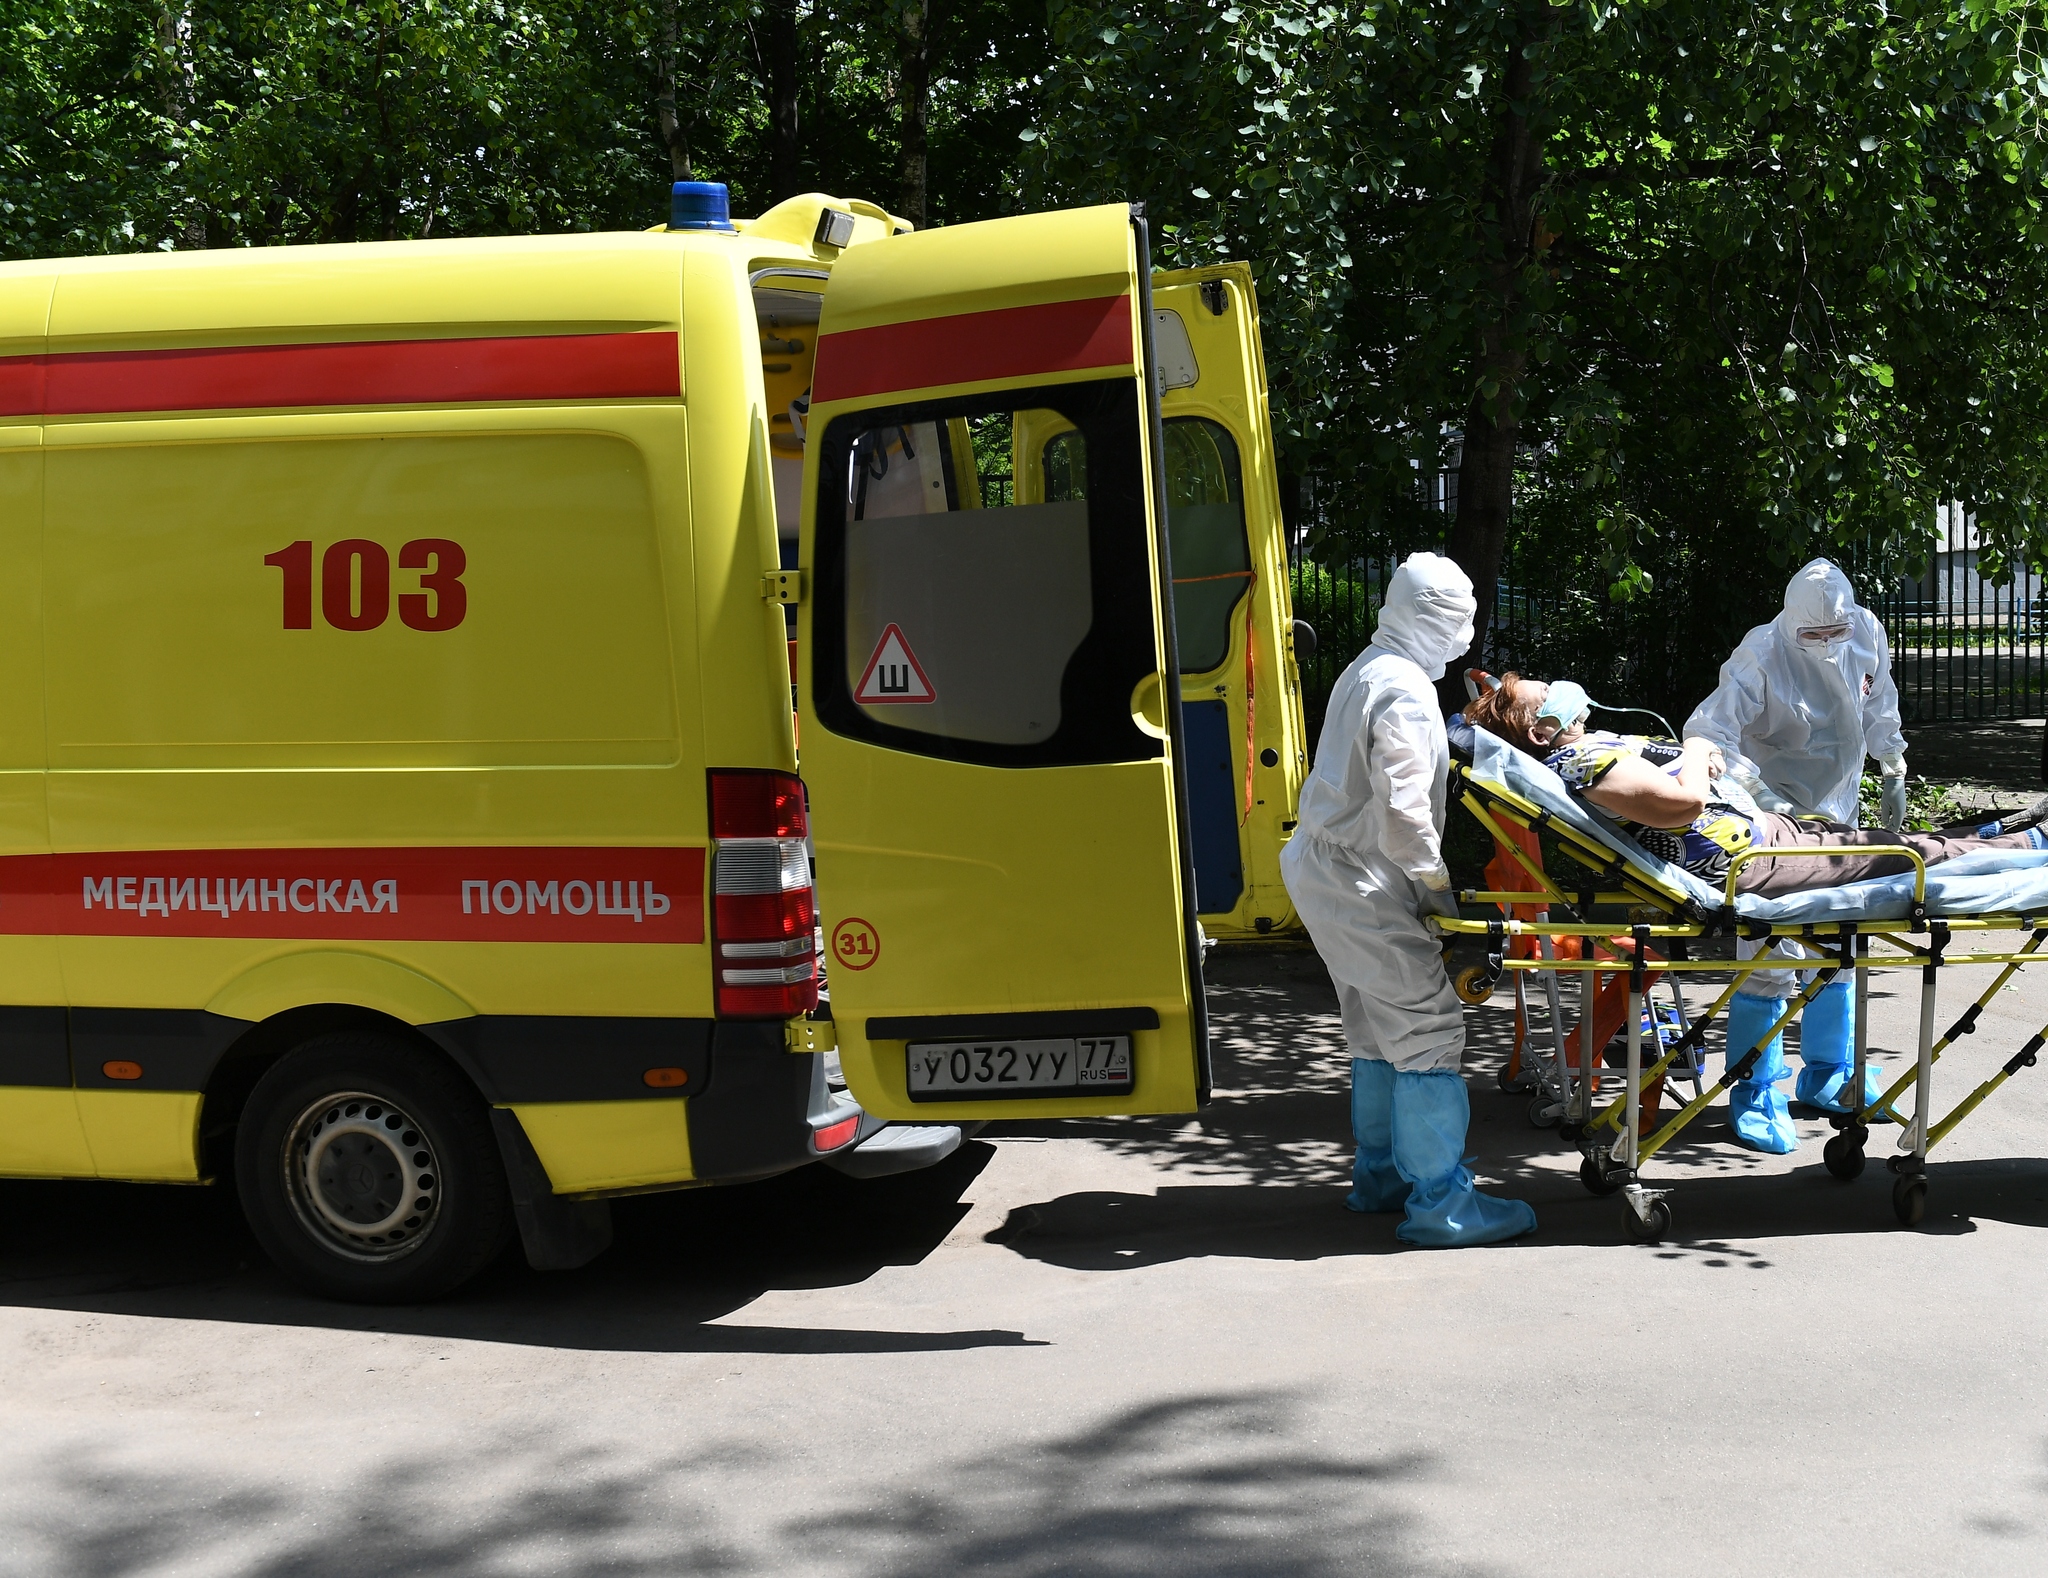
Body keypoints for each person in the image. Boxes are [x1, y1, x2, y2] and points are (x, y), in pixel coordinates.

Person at [1465, 673, 2048, 1150]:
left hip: (1764, 838)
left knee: (1906, 849)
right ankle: (2033, 849)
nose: (1556, 688)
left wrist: (1703, 766)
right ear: (1540, 731)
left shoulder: (1589, 750)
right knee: (1912, 858)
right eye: (1542, 695)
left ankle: (2013, 842)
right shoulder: (1586, 765)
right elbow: (1681, 805)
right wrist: (1695, 752)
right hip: (1754, 865)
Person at [1281, 552, 1537, 1247]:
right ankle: (1441, 1207)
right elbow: (1404, 814)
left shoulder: (1369, 667)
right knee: (1426, 1030)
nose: (1467, 633)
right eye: (1460, 619)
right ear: (1433, 617)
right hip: (1362, 878)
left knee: (1373, 1028)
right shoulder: (1401, 692)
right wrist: (1437, 897)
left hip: (1328, 869)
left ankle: (1381, 1179)